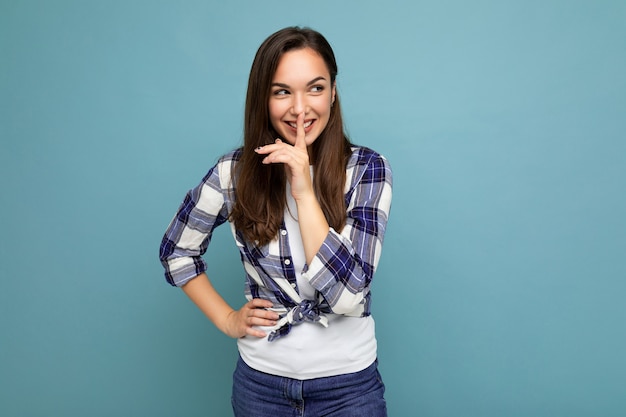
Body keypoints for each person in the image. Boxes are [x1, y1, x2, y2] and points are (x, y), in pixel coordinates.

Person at [159, 26, 392, 416]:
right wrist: (228, 319)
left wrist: (303, 190)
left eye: (315, 88)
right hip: (260, 389)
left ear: (333, 93)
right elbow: (176, 251)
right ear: (263, 100)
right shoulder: (233, 173)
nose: (300, 108)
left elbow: (348, 296)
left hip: (348, 389)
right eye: (282, 91)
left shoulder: (366, 169)